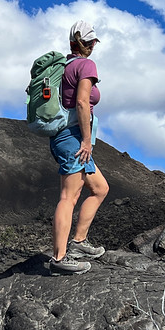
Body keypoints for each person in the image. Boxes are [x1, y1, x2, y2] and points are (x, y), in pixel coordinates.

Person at [48, 20, 110, 275]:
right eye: (93, 40)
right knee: (69, 197)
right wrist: (86, 140)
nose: (94, 44)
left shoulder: (64, 66)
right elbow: (83, 103)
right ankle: (59, 259)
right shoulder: (86, 65)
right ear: (88, 43)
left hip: (63, 136)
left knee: (100, 189)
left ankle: (79, 243)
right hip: (73, 137)